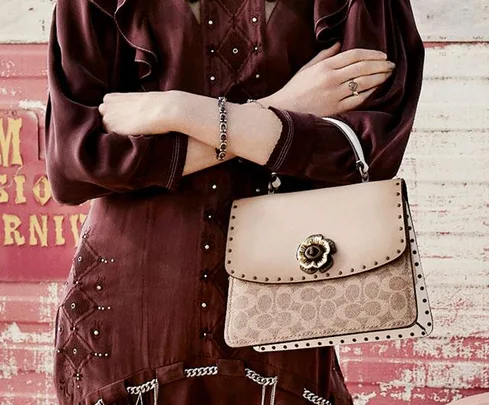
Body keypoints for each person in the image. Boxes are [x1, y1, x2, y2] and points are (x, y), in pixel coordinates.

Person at [45, 0, 424, 404]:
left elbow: (365, 153)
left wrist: (179, 110)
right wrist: (284, 105)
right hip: (128, 333)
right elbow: (75, 166)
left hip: (288, 319)